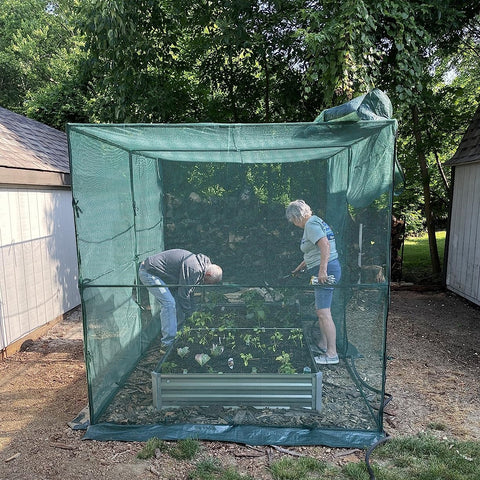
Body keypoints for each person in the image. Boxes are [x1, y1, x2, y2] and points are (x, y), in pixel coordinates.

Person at [286, 200, 341, 365]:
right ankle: (324, 344)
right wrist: (299, 268)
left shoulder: (310, 225)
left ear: (297, 216)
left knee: (324, 313)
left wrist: (322, 271)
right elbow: (313, 252)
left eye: (293, 220)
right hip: (326, 268)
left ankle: (332, 354)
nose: (294, 224)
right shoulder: (314, 222)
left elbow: (325, 246)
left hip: (326, 271)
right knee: (322, 311)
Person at [138, 249, 222, 346]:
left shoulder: (202, 266)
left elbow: (188, 292)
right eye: (208, 282)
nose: (206, 284)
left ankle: (179, 334)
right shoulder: (194, 269)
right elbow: (183, 294)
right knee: (169, 303)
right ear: (208, 274)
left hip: (164, 276)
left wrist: (192, 311)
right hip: (149, 272)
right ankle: (167, 343)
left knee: (177, 302)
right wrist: (190, 314)